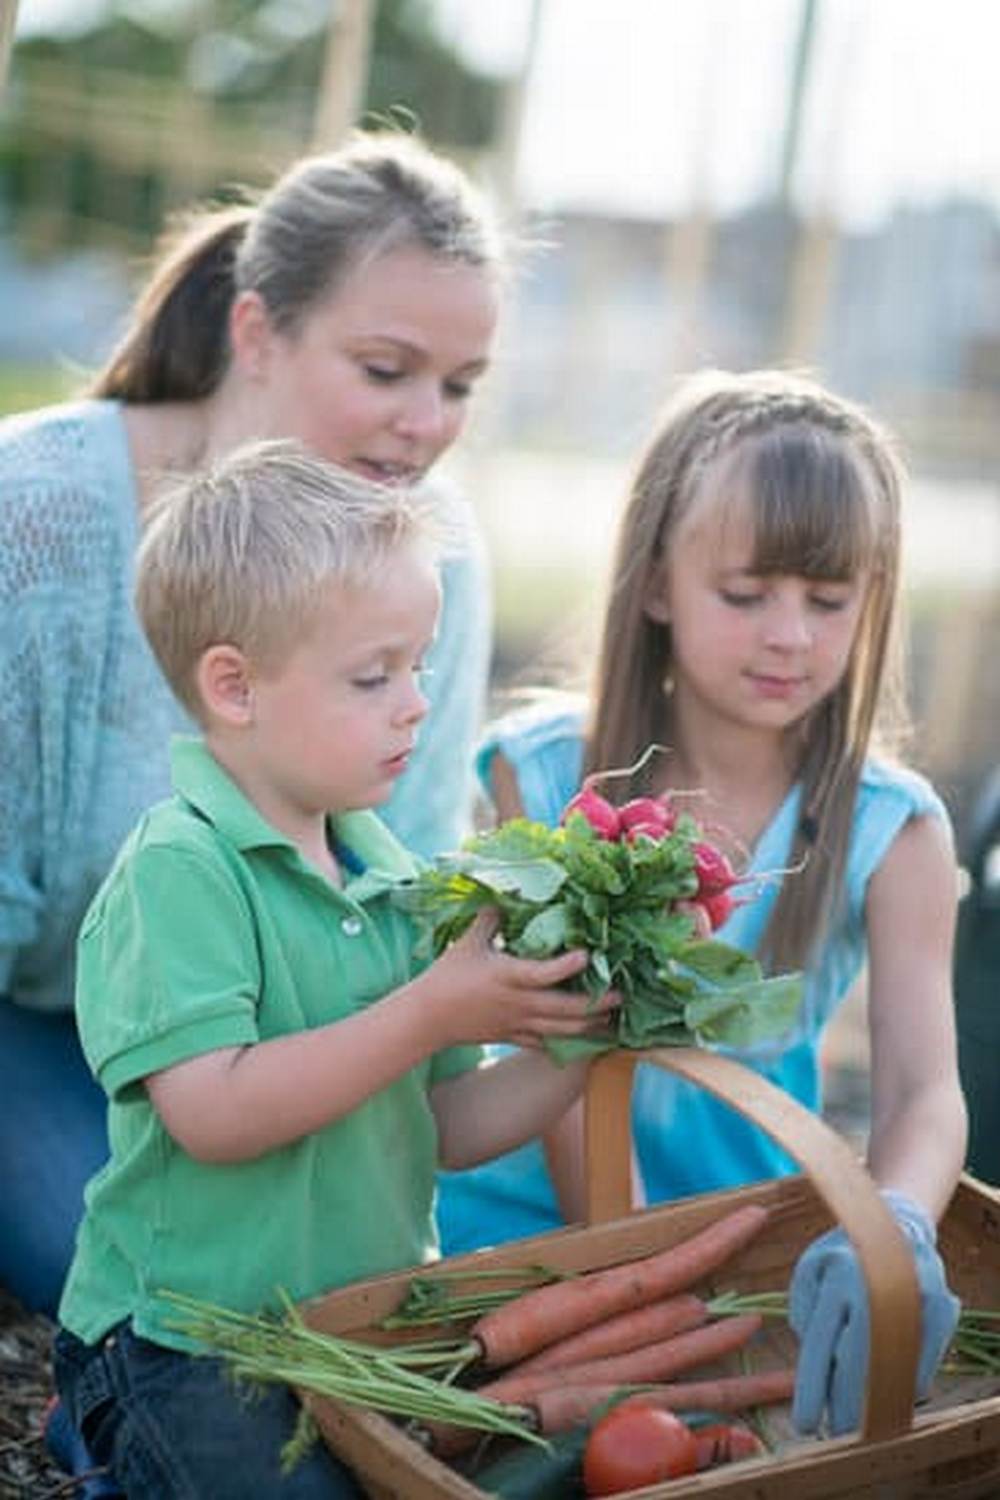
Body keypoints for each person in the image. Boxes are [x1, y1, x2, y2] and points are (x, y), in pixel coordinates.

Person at [0, 129, 502, 1317]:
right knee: (170, 1287)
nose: (428, 424)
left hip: (276, 1041)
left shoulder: (434, 550)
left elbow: (403, 884)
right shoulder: (36, 527)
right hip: (36, 1026)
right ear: (256, 332)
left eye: (462, 385)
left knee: (414, 1268)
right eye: (387, 370)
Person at [52, 441, 612, 1498]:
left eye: (419, 664)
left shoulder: (387, 871)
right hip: (188, 1339)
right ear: (236, 687)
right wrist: (425, 1013)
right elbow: (214, 1116)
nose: (415, 702)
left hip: (358, 1327)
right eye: (374, 675)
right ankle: (105, 1441)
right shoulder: (181, 870)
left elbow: (440, 1128)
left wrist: (576, 1048)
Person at [436, 368, 968, 1435]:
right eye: (746, 594)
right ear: (655, 584)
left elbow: (922, 1093)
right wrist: (630, 1287)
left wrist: (897, 1220)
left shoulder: (892, 826)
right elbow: (537, 1060)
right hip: (510, 1251)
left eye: (829, 601)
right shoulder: (535, 779)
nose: (790, 637)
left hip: (738, 1252)